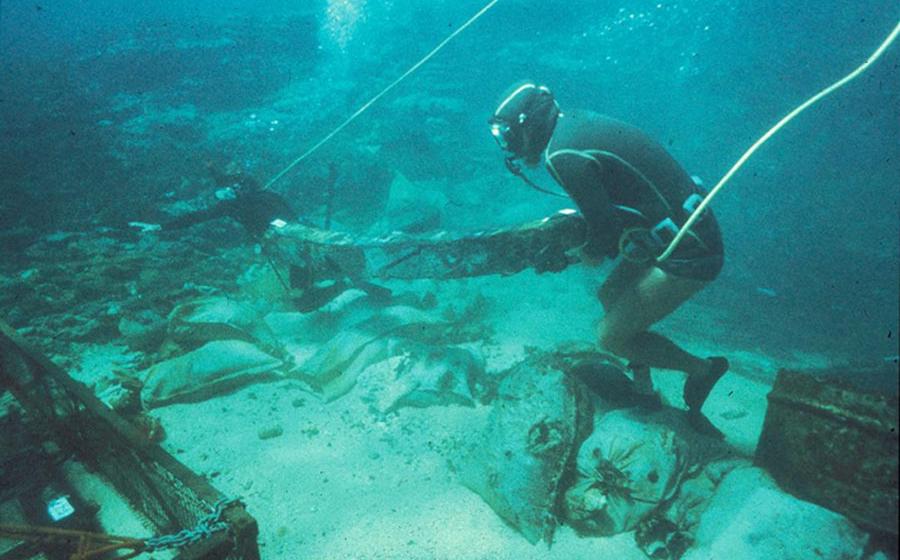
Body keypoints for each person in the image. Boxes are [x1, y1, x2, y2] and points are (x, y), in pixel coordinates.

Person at [489, 81, 729, 437]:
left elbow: (602, 230)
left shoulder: (562, 156)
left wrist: (584, 253)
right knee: (608, 296)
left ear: (528, 125)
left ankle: (702, 370)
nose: (509, 147)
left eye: (508, 136)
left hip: (690, 251)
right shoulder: (574, 123)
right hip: (678, 230)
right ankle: (643, 390)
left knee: (611, 338)